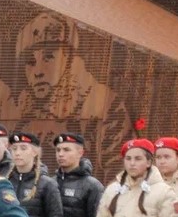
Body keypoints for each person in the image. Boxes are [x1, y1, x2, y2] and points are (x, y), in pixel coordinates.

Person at [14, 12, 131, 178]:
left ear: (69, 59)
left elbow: (120, 170)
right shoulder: (23, 112)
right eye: (30, 62)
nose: (38, 72)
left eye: (49, 57)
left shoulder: (100, 104)